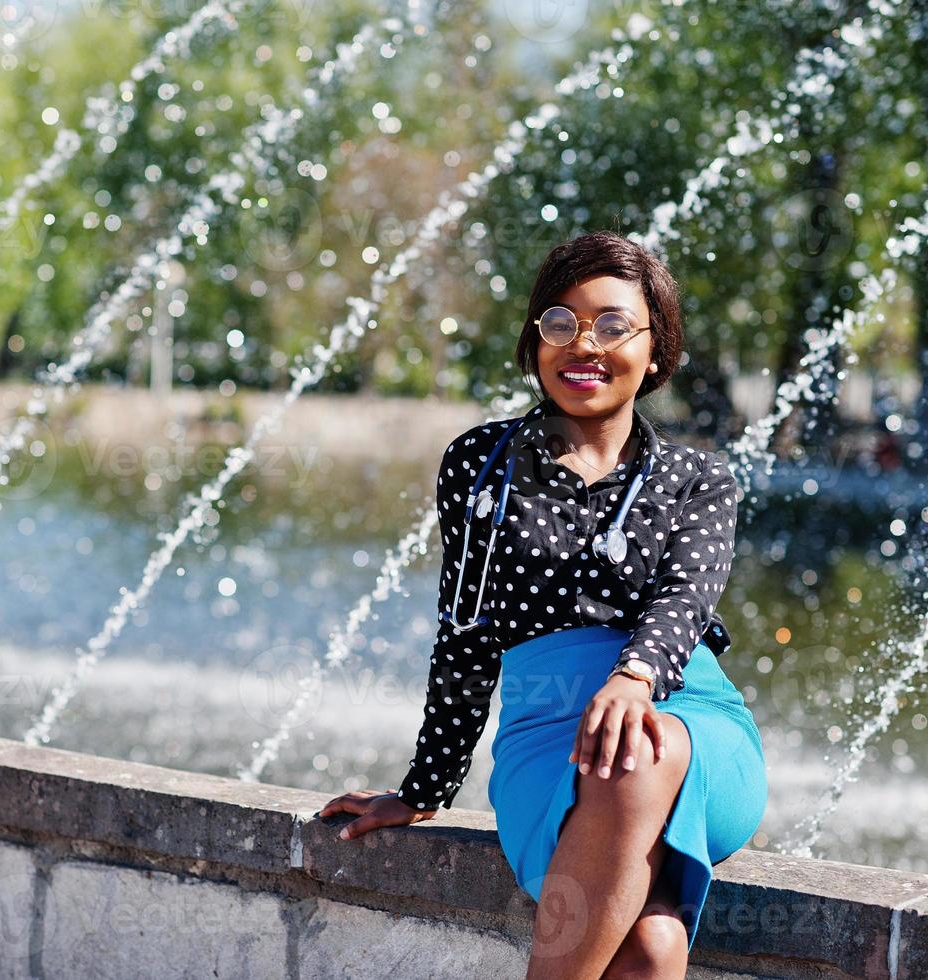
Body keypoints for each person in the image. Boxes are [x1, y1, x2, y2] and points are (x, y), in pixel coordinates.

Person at [318, 231, 767, 978]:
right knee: (649, 952)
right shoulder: (481, 465)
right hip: (546, 742)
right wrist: (424, 788)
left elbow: (684, 601)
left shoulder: (699, 479)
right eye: (559, 323)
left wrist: (632, 680)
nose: (582, 344)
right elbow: (463, 634)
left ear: (655, 352)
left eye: (613, 325)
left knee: (636, 748)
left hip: (687, 724)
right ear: (534, 342)